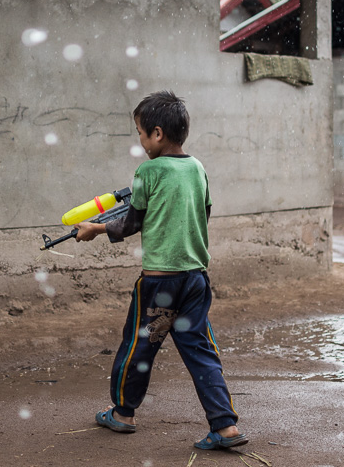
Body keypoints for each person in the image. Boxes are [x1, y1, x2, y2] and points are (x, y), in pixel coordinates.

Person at [74, 90, 248, 451]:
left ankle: (122, 413)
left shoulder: (147, 171)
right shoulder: (197, 167)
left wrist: (95, 228)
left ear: (156, 133)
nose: (139, 141)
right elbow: (204, 212)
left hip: (159, 282)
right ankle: (225, 426)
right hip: (196, 279)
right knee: (201, 350)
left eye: (139, 133)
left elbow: (132, 222)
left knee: (138, 348)